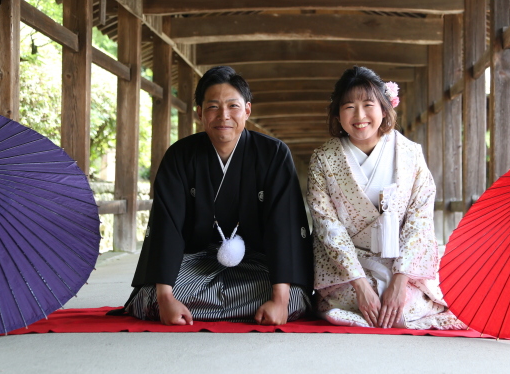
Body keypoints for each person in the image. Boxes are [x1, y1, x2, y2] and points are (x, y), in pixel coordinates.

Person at [117, 66, 313, 325]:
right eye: (213, 107)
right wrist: (165, 298)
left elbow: (283, 226)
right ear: (200, 112)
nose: (223, 116)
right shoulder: (180, 156)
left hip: (257, 260)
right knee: (152, 295)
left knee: (294, 296)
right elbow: (167, 225)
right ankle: (214, 307)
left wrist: (279, 299)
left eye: (233, 106)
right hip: (196, 260)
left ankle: (235, 306)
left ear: (247, 110)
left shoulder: (274, 154)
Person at [306, 66, 464, 329]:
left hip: (400, 264)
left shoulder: (410, 154)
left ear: (384, 108)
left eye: (368, 105)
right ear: (337, 114)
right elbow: (327, 225)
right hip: (350, 268)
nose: (360, 116)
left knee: (405, 308)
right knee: (361, 304)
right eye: (349, 107)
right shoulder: (323, 159)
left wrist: (400, 280)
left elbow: (419, 218)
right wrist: (360, 284)